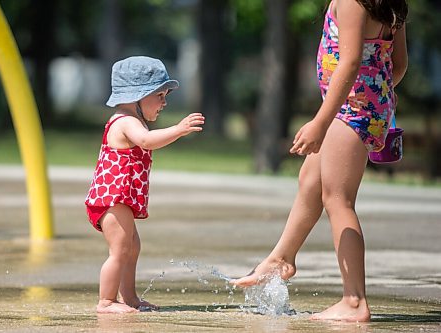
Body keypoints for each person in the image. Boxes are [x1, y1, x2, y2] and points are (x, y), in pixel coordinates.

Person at [231, 0, 408, 322]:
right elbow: (398, 65)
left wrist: (321, 122)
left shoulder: (352, 2)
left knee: (338, 199)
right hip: (363, 106)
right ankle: (280, 258)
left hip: (349, 112)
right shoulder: (386, 2)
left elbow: (350, 62)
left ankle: (354, 301)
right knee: (310, 182)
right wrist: (376, 95)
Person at [85, 56, 205, 314]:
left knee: (132, 247)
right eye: (159, 95)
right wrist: (179, 129)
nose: (164, 102)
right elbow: (147, 141)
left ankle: (129, 297)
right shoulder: (126, 121)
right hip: (112, 198)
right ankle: (106, 301)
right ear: (135, 96)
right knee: (120, 249)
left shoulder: (132, 119)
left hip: (120, 199)